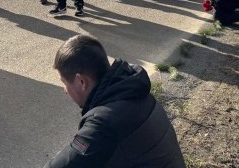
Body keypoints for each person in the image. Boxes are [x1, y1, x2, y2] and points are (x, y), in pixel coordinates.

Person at [44, 34, 186, 168]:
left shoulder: (104, 122)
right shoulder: (132, 91)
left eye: (64, 82)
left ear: (81, 81)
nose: (64, 90)